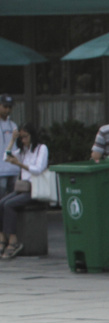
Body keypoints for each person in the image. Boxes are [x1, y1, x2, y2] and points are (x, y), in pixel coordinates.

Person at [0, 123, 47, 260]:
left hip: (35, 188)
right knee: (1, 203)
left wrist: (19, 164)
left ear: (32, 136)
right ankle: (2, 238)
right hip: (23, 188)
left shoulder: (41, 149)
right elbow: (6, 157)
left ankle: (13, 241)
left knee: (9, 205)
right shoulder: (23, 151)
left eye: (25, 137)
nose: (23, 140)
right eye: (21, 138)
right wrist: (12, 141)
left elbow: (38, 169)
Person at [0, 94, 19, 199]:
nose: (7, 110)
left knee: (12, 200)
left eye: (10, 107)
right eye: (5, 106)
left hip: (13, 168)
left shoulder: (13, 125)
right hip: (0, 170)